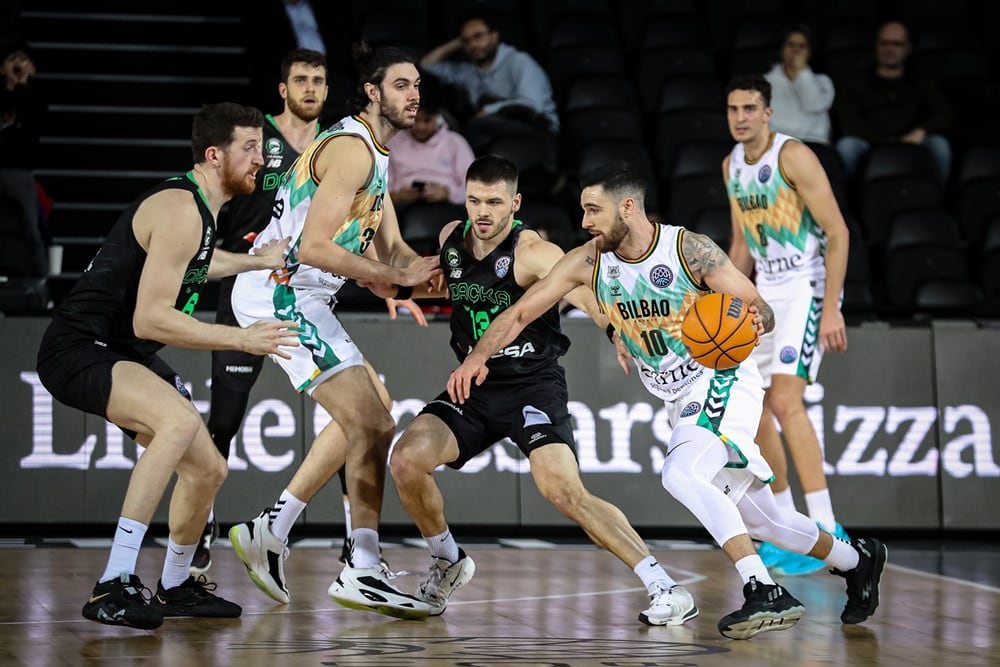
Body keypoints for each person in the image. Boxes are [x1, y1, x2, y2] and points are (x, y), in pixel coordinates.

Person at [448, 161, 887, 640]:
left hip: (723, 377)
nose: (586, 221)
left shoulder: (688, 249)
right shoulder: (587, 261)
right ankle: (858, 559)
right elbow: (517, 314)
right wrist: (477, 359)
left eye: (594, 211)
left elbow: (757, 305)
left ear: (628, 207)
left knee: (680, 472)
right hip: (676, 396)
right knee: (767, 522)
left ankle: (762, 588)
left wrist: (748, 321)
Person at [360, 154, 696, 625]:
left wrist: (618, 332)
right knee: (406, 460)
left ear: (514, 204)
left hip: (532, 387)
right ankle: (448, 560)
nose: (482, 211)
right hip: (475, 387)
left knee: (562, 490)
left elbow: (586, 291)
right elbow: (437, 284)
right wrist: (380, 277)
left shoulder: (535, 252)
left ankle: (664, 585)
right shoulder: (451, 240)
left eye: (494, 202)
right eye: (474, 199)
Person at [34, 102, 300, 630]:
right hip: (79, 347)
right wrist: (240, 338)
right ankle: (113, 582)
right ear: (212, 154)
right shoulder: (181, 208)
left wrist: (257, 260)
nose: (261, 158)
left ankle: (176, 585)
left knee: (209, 469)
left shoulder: (198, 208)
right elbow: (152, 319)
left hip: (117, 349)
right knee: (176, 423)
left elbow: (198, 261)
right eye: (249, 147)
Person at [226, 44, 442, 620]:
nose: (414, 94)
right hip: (282, 291)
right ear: (372, 92)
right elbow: (316, 247)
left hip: (309, 295)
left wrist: (457, 282)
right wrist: (390, 279)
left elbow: (392, 252)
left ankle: (276, 531)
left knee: (375, 416)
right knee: (371, 420)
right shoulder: (350, 151)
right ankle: (358, 567)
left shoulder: (377, 152)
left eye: (417, 84)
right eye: (401, 85)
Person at [724, 74, 852, 575]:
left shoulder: (793, 155)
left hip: (805, 285)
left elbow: (838, 231)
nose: (740, 117)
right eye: (733, 108)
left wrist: (834, 305)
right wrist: (728, 303)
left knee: (784, 399)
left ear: (768, 112)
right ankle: (784, 520)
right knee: (753, 405)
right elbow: (740, 247)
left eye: (750, 108)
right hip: (764, 292)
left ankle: (826, 523)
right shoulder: (731, 164)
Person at [421, 13, 559, 158]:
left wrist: (489, 110)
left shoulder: (519, 62)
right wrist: (457, 43)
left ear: (494, 36)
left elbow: (532, 106)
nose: (473, 44)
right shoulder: (468, 71)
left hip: (537, 130)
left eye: (478, 36)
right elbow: (426, 65)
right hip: (492, 132)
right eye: (467, 41)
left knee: (478, 128)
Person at [834, 21, 953, 184]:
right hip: (868, 140)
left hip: (912, 140)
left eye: (897, 44)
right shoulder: (858, 80)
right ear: (876, 46)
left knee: (939, 144)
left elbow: (943, 114)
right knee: (846, 146)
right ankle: (842, 202)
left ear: (908, 48)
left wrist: (920, 131)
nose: (889, 49)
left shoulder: (919, 80)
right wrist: (880, 141)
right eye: (884, 43)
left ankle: (940, 199)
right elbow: (848, 120)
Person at [0, 37, 48, 277]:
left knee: (31, 228)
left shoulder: (36, 98)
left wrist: (20, 86)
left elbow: (33, 125)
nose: (17, 64)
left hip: (20, 171)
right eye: (11, 59)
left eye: (23, 59)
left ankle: (41, 282)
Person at [387, 83, 475, 212]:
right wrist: (395, 196)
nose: (421, 127)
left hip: (449, 208)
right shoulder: (392, 142)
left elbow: (475, 189)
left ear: (438, 117)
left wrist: (448, 193)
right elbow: (378, 189)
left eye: (427, 120)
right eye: (415, 120)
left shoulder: (455, 142)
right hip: (401, 209)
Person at [763, 26, 835, 145]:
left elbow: (813, 104)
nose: (796, 50)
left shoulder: (823, 82)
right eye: (790, 45)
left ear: (810, 52)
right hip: (776, 145)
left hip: (814, 144)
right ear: (782, 49)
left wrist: (802, 73)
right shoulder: (765, 82)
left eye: (802, 46)